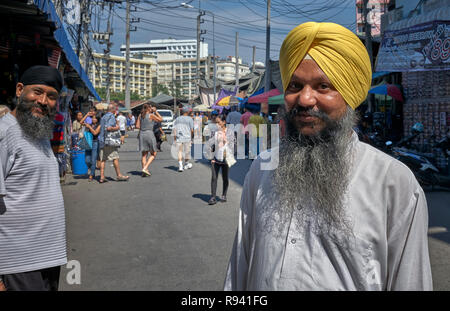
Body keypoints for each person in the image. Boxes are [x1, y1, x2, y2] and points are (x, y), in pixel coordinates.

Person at [224, 22, 432, 291]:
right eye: (295, 85)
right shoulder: (262, 170)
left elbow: (410, 282)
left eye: (323, 86)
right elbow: (239, 273)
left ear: (350, 94)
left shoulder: (393, 183)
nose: (305, 99)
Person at [0, 65, 67, 291]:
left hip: (47, 257)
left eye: (51, 96)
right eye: (37, 92)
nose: (43, 101)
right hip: (17, 263)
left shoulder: (37, 132)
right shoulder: (4, 133)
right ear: (19, 90)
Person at [98, 103, 129, 183]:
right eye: (115, 109)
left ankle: (101, 177)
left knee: (103, 159)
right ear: (112, 110)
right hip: (110, 141)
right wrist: (117, 127)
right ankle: (119, 175)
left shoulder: (103, 117)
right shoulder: (111, 116)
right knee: (115, 157)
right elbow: (109, 128)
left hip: (102, 140)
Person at [207, 114, 234, 205]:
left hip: (226, 158)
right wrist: (211, 157)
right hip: (216, 158)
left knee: (225, 178)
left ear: (224, 122)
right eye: (216, 123)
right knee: (214, 178)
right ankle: (213, 197)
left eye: (219, 122)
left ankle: (224, 194)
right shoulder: (214, 132)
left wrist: (225, 138)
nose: (217, 124)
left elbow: (232, 145)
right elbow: (211, 144)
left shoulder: (229, 132)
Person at [136, 104, 162, 176]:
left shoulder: (140, 115)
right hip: (149, 133)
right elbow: (160, 119)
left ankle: (144, 171)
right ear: (149, 109)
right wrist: (156, 112)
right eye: (151, 108)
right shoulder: (151, 115)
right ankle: (145, 168)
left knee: (144, 154)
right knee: (154, 153)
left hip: (142, 134)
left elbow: (137, 126)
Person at [173, 106, 194, 172]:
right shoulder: (190, 119)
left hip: (179, 137)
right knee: (187, 152)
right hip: (187, 138)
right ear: (187, 112)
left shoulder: (177, 119)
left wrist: (175, 138)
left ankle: (180, 166)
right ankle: (186, 163)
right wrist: (192, 137)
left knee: (180, 152)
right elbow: (192, 130)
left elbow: (175, 129)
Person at [82, 112, 101, 182]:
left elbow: (95, 133)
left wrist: (89, 127)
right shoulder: (89, 124)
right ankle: (92, 170)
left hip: (95, 143)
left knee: (93, 160)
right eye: (92, 118)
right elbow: (81, 122)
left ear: (98, 119)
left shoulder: (99, 125)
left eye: (95, 118)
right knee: (87, 160)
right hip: (88, 142)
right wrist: (86, 115)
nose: (93, 119)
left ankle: (91, 174)